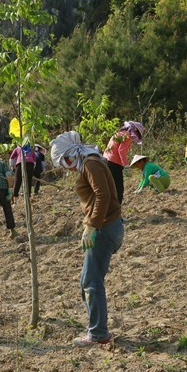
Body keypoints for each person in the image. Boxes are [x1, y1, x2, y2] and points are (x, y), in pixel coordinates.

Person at [50, 131, 123, 346]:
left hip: (105, 228)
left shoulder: (91, 164)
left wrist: (92, 226)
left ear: (70, 155)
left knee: (92, 281)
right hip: (104, 226)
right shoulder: (88, 163)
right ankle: (95, 328)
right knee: (86, 281)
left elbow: (103, 195)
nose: (66, 168)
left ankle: (98, 334)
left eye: (64, 162)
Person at [102, 121, 144, 204]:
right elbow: (121, 151)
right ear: (134, 130)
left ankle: (109, 212)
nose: (138, 136)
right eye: (138, 133)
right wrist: (126, 166)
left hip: (106, 162)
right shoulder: (127, 136)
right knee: (119, 190)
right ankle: (116, 214)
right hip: (114, 164)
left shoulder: (119, 134)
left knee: (109, 188)